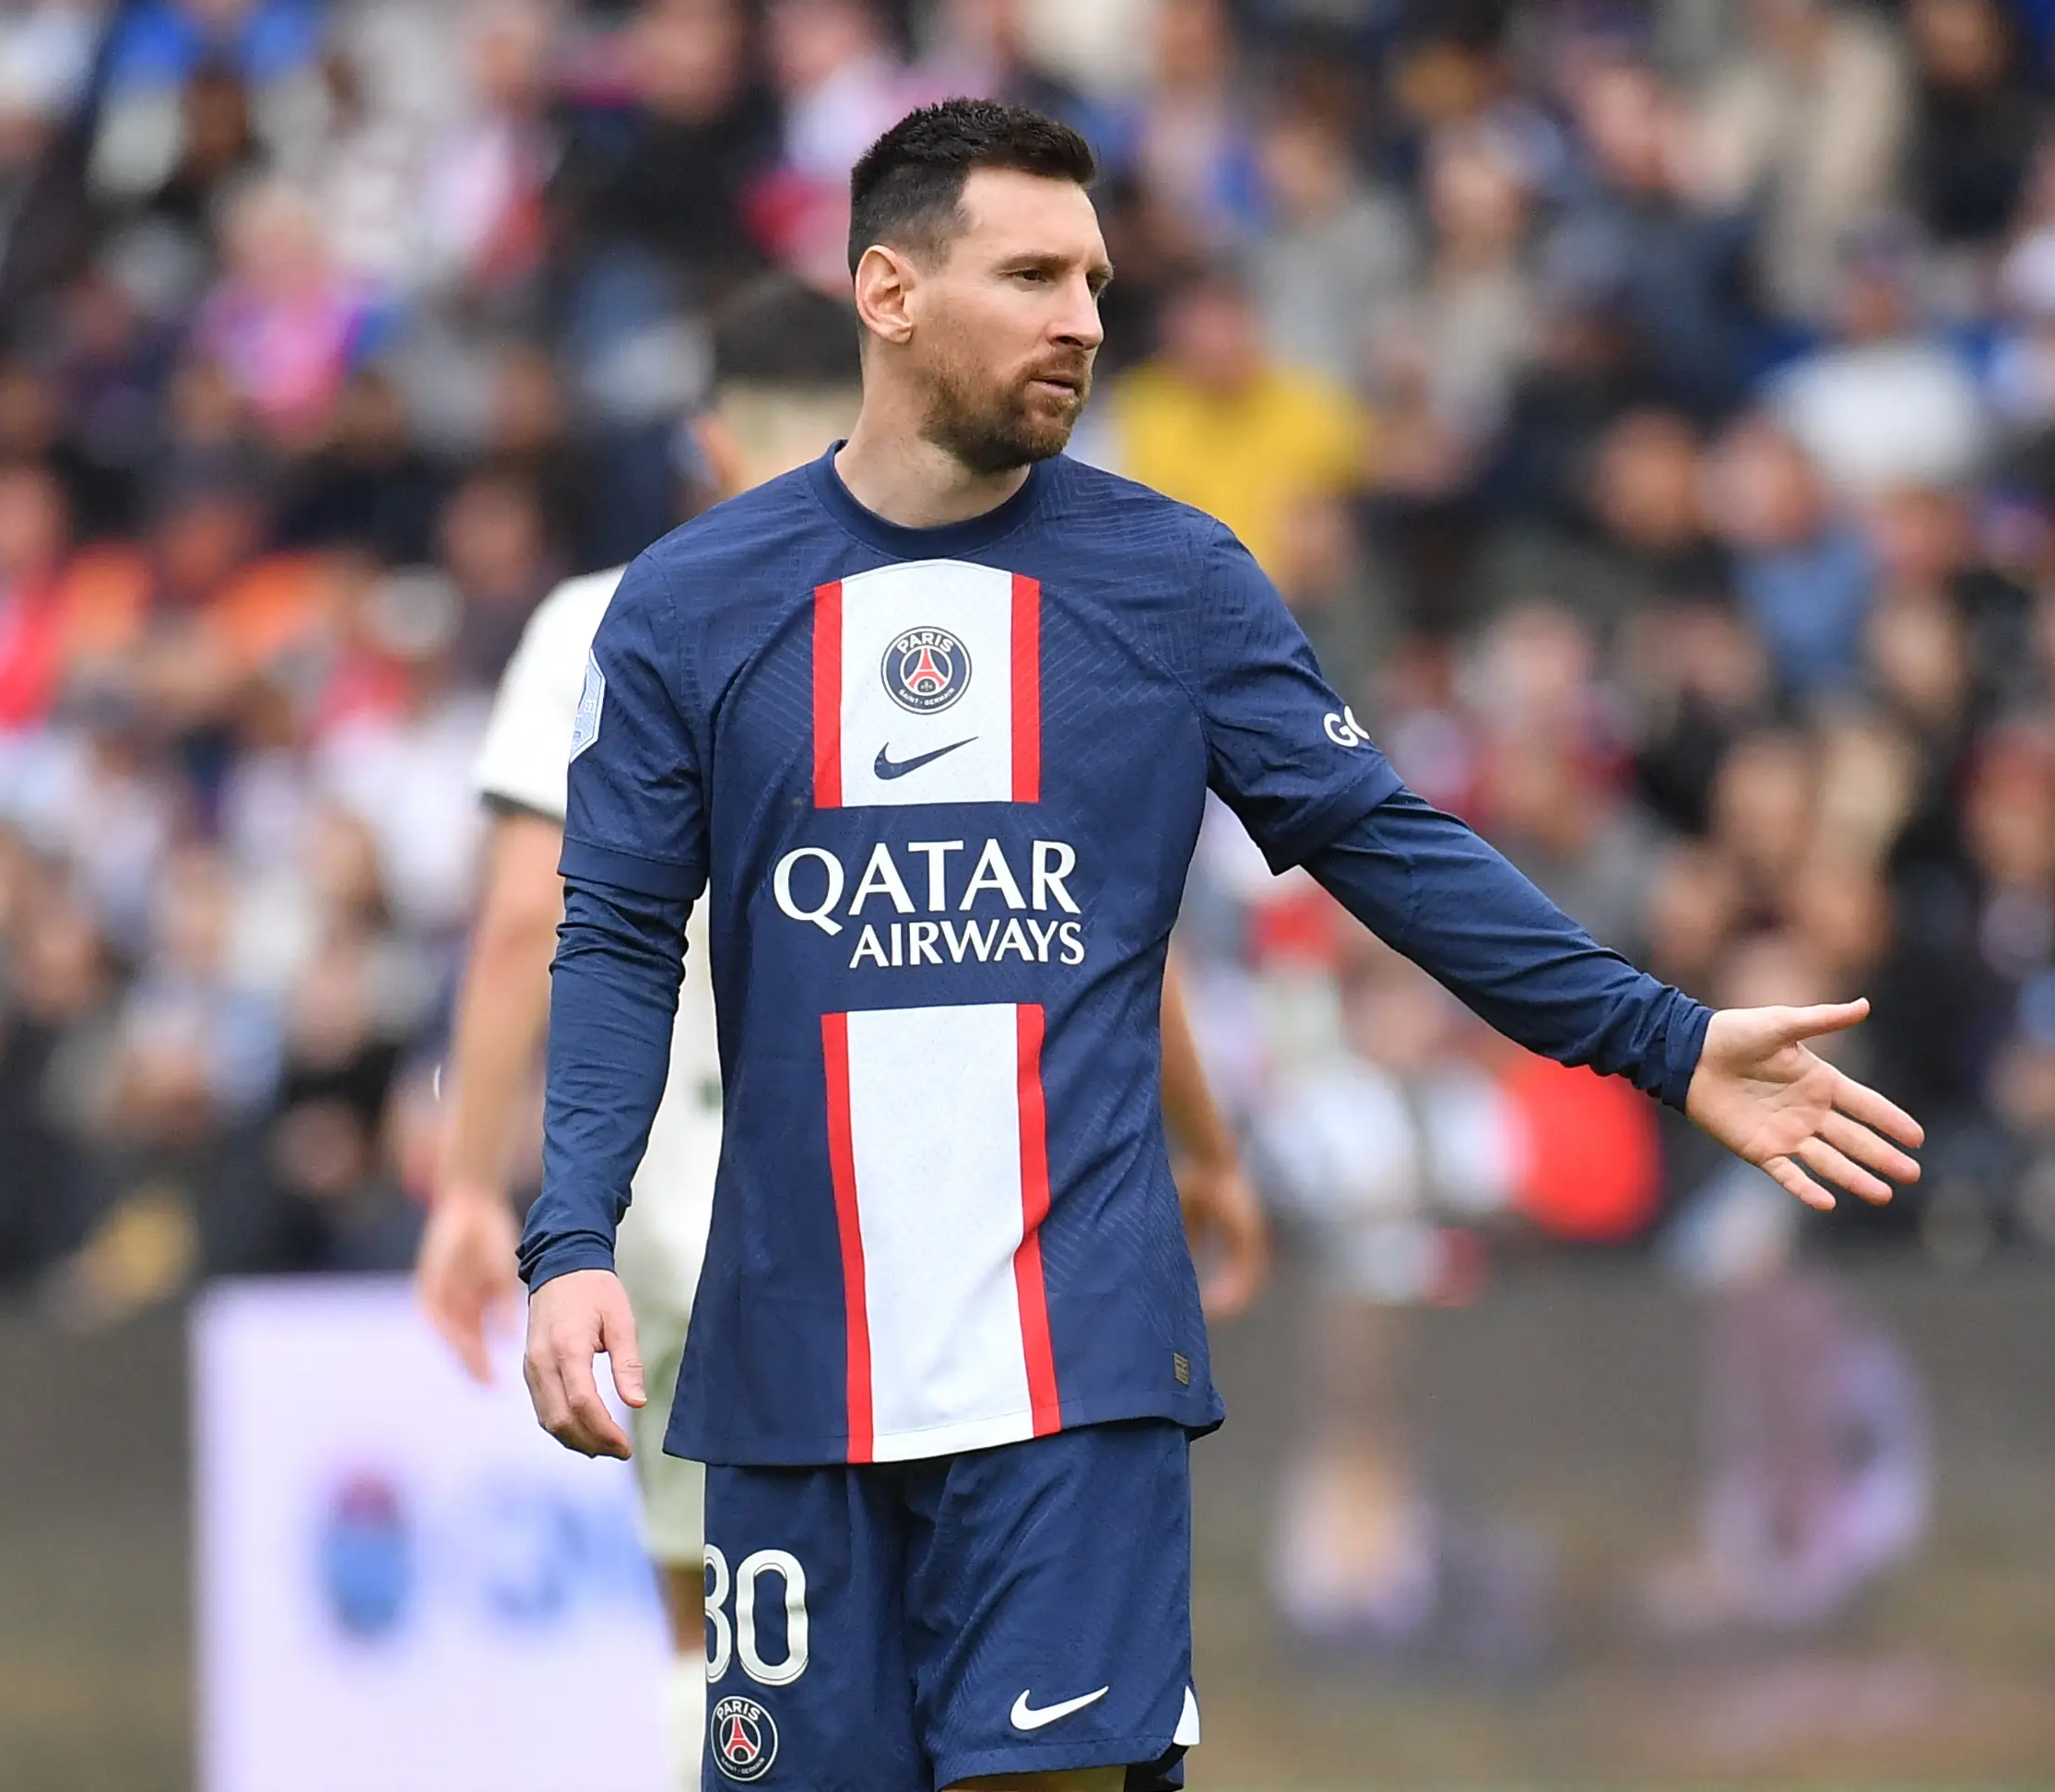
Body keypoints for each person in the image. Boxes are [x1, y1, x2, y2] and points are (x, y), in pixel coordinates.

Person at [523, 100, 1923, 1792]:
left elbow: (1380, 842)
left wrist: (1663, 1037)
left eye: (1097, 281)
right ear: (886, 294)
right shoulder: (694, 605)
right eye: (1032, 274)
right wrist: (569, 1237)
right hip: (792, 1368)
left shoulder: (1169, 584)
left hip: (1077, 1364)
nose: (1084, 320)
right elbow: (609, 939)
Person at [412, 273, 1265, 1786]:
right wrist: (1203, 1151)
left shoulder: (609, 615)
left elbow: (519, 929)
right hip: (973, 1221)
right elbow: (1102, 931)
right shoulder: (1008, 608)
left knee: (729, 1648)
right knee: (991, 1677)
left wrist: (486, 1190)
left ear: (704, 438)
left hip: (702, 1217)